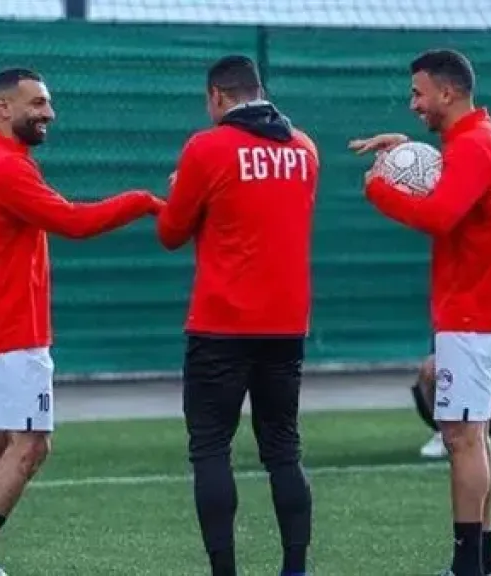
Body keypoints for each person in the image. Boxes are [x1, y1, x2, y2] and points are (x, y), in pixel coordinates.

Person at [0, 68, 164, 575]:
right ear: (3, 108)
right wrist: (144, 201)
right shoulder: (5, 168)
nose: (49, 113)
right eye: (38, 103)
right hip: (12, 334)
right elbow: (74, 221)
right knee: (31, 447)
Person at [350, 49, 491, 576]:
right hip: (490, 307)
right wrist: (406, 152)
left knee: (461, 438)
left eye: (418, 93)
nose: (413, 103)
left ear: (447, 92)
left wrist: (380, 190)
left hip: (473, 313)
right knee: (474, 435)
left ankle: (467, 565)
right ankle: (482, 561)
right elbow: (455, 188)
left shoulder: (473, 145)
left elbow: (441, 215)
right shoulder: (487, 138)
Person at [157, 55, 319, 576]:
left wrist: (181, 189)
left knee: (210, 450)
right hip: (286, 323)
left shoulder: (207, 148)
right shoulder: (304, 148)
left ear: (218, 96)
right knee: (283, 451)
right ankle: (295, 568)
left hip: (220, 324)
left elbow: (171, 233)